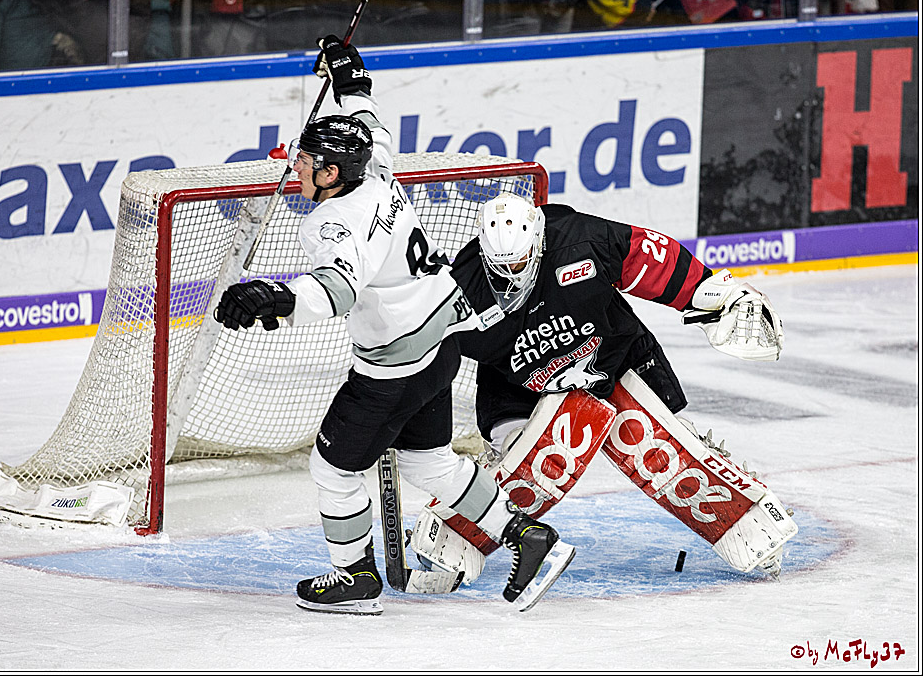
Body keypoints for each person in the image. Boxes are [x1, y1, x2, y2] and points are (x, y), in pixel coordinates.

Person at [213, 38, 575, 615]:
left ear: (332, 173)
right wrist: (349, 78)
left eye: (305, 162)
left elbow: (335, 290)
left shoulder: (333, 223)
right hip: (443, 341)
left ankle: (353, 578)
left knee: (331, 470)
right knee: (429, 463)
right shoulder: (376, 171)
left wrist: (272, 298)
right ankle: (531, 540)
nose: (294, 166)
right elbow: (368, 121)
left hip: (394, 366)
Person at [410, 191, 794, 582]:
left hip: (614, 357)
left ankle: (747, 519)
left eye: (521, 261)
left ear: (539, 243)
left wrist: (712, 293)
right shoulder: (461, 291)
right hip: (518, 386)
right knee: (530, 467)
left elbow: (652, 258)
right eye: (502, 265)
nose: (512, 274)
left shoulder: (582, 241)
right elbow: (422, 354)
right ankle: (457, 532)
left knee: (664, 447)